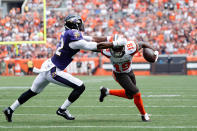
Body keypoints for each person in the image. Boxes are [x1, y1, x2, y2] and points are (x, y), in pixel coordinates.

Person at [2, 15, 126, 122]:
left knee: (32, 91)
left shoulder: (68, 33)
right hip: (54, 71)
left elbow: (93, 38)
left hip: (48, 66)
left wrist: (109, 38)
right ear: (75, 25)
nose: (81, 26)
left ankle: (10, 109)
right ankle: (62, 110)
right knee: (80, 87)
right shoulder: (75, 39)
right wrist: (114, 44)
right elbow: (95, 46)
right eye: (79, 24)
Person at [95, 35, 158, 122]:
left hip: (129, 72)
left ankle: (106, 91)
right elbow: (92, 46)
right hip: (119, 74)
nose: (117, 52)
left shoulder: (131, 47)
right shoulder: (106, 50)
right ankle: (144, 115)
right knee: (136, 93)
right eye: (115, 49)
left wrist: (154, 51)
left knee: (130, 95)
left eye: (119, 49)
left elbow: (143, 44)